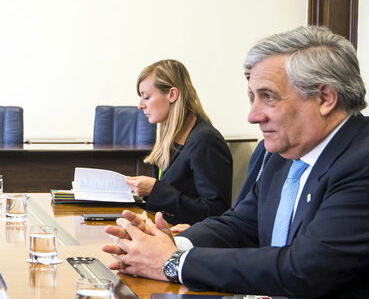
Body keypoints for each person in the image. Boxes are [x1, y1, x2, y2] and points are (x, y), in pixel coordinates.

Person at [103, 26, 369, 297]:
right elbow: (239, 224)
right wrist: (168, 244)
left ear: (324, 98)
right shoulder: (283, 154)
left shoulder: (362, 161)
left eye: (268, 97)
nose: (253, 116)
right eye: (252, 98)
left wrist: (174, 262)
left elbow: (304, 269)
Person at [123, 59, 232, 224]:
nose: (140, 105)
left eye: (146, 97)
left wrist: (155, 190)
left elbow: (215, 212)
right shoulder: (171, 138)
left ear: (172, 95)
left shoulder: (205, 140)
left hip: (190, 242)